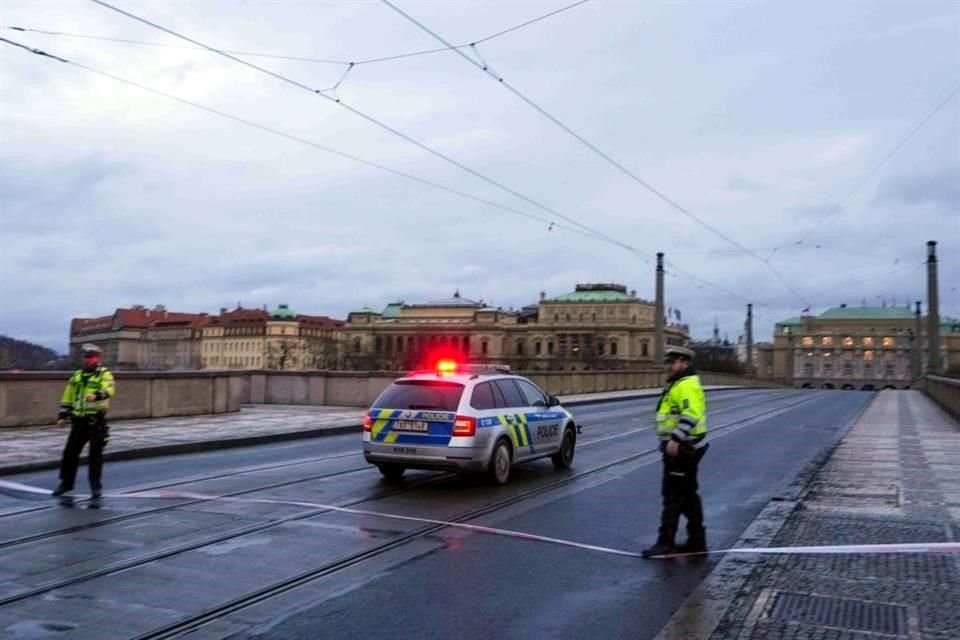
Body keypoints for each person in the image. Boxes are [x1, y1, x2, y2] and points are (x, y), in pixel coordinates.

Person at [642, 346, 709, 558]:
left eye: (671, 362)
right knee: (688, 497)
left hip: (681, 449)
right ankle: (697, 541)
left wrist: (676, 438)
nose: (667, 366)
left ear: (684, 363)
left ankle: (666, 542)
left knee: (672, 497)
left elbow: (692, 413)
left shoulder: (686, 385)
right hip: (684, 448)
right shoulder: (680, 383)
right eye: (667, 362)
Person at [52, 344, 115, 498]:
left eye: (91, 358)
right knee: (70, 453)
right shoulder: (77, 375)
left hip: (96, 420)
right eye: (86, 358)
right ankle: (66, 483)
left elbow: (109, 389)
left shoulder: (104, 374)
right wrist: (63, 416)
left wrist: (97, 396)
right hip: (79, 420)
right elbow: (68, 397)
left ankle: (95, 486)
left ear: (97, 358)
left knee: (95, 455)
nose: (88, 360)